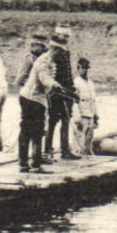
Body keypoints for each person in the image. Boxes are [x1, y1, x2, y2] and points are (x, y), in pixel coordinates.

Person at [16, 32, 56, 173]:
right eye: (35, 45)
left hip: (37, 96)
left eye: (39, 45)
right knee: (30, 129)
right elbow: (19, 79)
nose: (38, 48)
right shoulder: (29, 60)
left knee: (36, 129)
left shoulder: (43, 59)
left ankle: (34, 158)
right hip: (31, 97)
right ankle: (30, 161)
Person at [44, 25, 78, 161]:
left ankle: (64, 150)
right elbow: (53, 74)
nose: (66, 39)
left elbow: (68, 73)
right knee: (52, 121)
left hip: (67, 90)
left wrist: (71, 88)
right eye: (64, 36)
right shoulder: (53, 52)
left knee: (66, 120)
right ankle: (48, 150)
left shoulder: (65, 51)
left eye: (67, 36)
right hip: (56, 91)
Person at [72, 57, 99, 156]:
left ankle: (88, 156)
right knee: (79, 141)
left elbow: (93, 100)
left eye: (87, 68)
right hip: (82, 115)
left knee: (88, 141)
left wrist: (96, 115)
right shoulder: (76, 83)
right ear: (78, 68)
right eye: (83, 68)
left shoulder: (90, 83)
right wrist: (77, 118)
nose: (85, 70)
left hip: (90, 114)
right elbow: (74, 102)